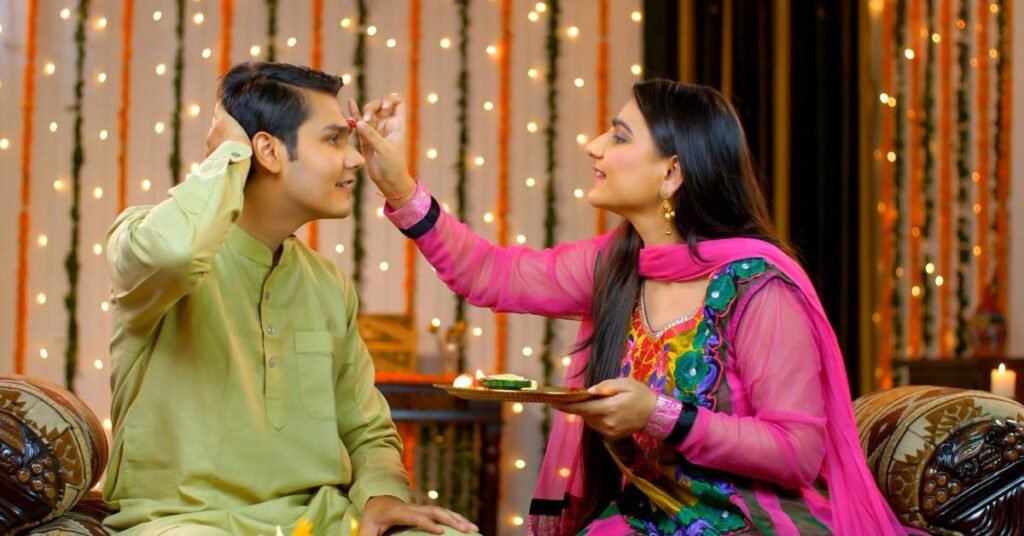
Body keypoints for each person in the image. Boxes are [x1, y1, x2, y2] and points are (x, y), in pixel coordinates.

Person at [350, 80, 913, 535]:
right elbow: (489, 275)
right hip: (646, 516)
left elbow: (796, 451)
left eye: (618, 137)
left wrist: (661, 416)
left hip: (751, 521)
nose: (593, 146)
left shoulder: (758, 288)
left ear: (671, 173)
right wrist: (400, 189)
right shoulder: (618, 265)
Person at [102, 62, 477, 536]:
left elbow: (367, 430)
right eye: (333, 139)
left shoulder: (326, 283)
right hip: (185, 523)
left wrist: (382, 497)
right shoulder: (145, 241)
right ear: (268, 151)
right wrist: (230, 153)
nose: (357, 159)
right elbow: (175, 253)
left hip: (322, 522)